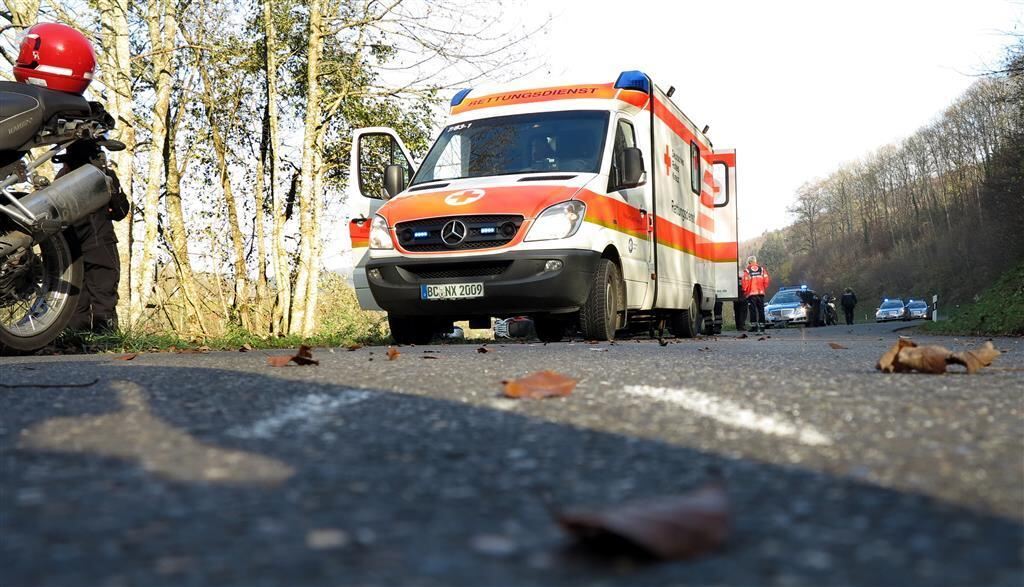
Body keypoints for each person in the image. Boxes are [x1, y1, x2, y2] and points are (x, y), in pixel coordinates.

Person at [741, 255, 770, 332]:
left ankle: (754, 327)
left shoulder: (747, 271)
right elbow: (766, 280)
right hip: (760, 293)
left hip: (751, 294)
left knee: (752, 310)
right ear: (755, 261)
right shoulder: (762, 269)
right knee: (761, 310)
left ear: (749, 262)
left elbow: (745, 283)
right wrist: (763, 288)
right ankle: (762, 327)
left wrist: (745, 291)